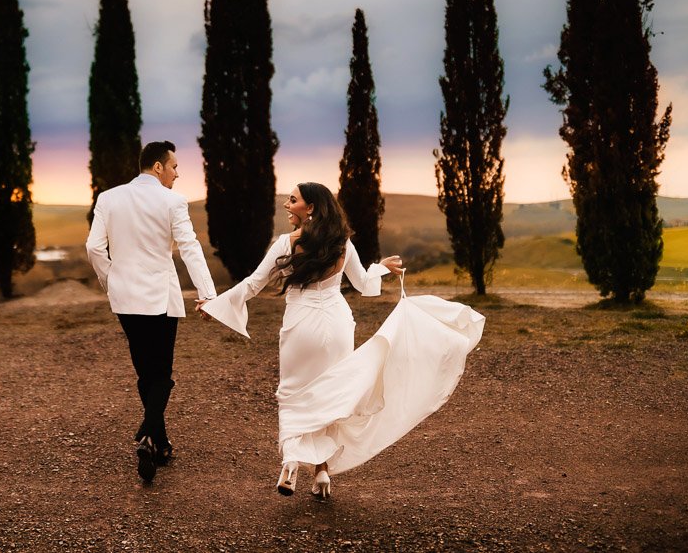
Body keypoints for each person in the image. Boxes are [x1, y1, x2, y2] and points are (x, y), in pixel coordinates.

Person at [199, 182, 484, 500]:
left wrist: (215, 306)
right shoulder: (342, 244)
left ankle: (291, 462)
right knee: (330, 396)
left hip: (301, 325)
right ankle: (321, 473)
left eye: (292, 200)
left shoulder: (286, 243)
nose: (286, 205)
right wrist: (382, 269)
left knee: (294, 393)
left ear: (310, 208)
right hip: (336, 325)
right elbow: (362, 283)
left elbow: (253, 284)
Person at [86, 141, 217, 483]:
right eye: (174, 166)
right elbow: (189, 246)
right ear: (157, 167)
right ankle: (147, 432)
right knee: (162, 373)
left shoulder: (109, 198)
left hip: (125, 297)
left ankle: (158, 441)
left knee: (146, 372)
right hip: (160, 297)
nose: (177, 173)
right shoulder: (172, 201)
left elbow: (93, 247)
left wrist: (110, 279)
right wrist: (207, 293)